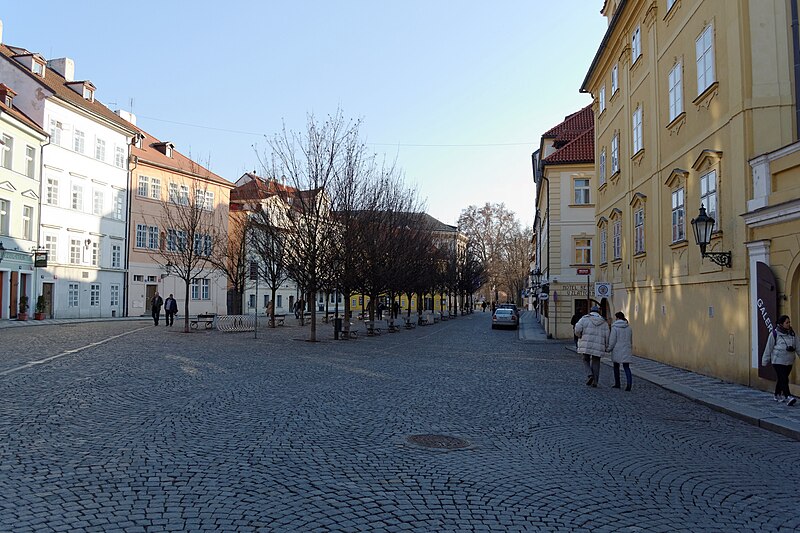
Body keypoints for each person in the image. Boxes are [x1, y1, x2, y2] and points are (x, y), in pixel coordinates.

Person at [762, 315, 798, 405]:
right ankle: (788, 396)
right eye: (787, 322)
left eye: (789, 322)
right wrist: (765, 360)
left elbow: (798, 346)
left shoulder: (792, 333)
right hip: (778, 360)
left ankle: (777, 394)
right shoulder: (775, 333)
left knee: (782, 378)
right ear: (781, 324)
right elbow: (769, 347)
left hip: (789, 361)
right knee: (784, 379)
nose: (789, 324)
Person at [575, 304, 609, 387]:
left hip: (586, 343)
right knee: (596, 362)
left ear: (590, 311)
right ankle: (595, 382)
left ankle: (590, 374)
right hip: (598, 344)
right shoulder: (604, 322)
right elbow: (607, 334)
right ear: (598, 312)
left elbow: (577, 329)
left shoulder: (584, 319)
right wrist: (606, 345)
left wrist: (579, 336)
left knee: (585, 359)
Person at [607, 311, 633, 391]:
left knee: (616, 367)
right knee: (626, 367)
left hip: (617, 349)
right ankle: (629, 384)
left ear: (617, 318)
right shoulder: (629, 327)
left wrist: (608, 349)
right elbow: (631, 340)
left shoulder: (615, 328)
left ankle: (617, 383)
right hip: (626, 349)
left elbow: (612, 340)